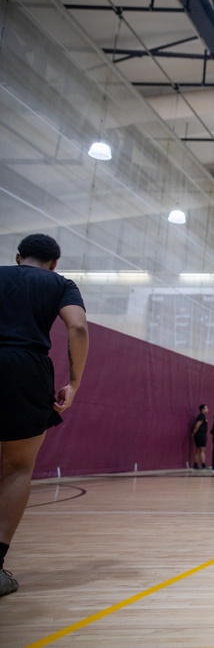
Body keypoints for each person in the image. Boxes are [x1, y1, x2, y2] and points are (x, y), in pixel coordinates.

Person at [0, 234, 89, 598]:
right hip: (26, 369)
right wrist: (74, 382)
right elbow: (78, 328)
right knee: (17, 468)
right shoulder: (61, 284)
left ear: (19, 257)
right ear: (55, 262)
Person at [190, 404, 209, 470]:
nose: (207, 409)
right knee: (202, 450)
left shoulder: (203, 416)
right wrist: (193, 433)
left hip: (200, 435)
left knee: (198, 450)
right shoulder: (201, 417)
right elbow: (197, 426)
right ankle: (203, 465)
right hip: (200, 435)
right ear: (202, 409)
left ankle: (196, 464)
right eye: (206, 408)